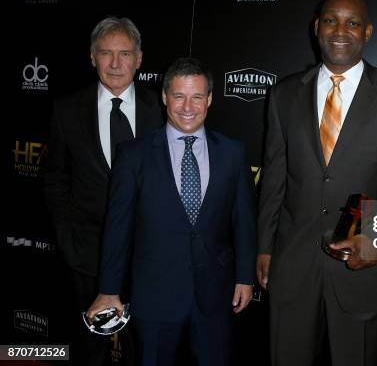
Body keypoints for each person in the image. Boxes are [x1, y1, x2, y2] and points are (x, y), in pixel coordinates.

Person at [257, 0, 377, 366]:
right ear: (317, 27)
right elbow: (274, 177)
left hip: (361, 265)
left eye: (353, 23)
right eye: (331, 20)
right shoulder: (284, 94)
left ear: (368, 32)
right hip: (292, 262)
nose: (340, 30)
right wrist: (265, 247)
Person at [87, 57, 257, 366]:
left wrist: (245, 276)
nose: (187, 106)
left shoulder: (233, 152)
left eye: (196, 97)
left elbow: (244, 220)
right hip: (154, 294)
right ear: (165, 97)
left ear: (209, 99)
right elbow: (118, 225)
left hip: (215, 295)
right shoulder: (134, 154)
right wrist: (109, 289)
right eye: (178, 96)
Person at [44, 16, 164, 366]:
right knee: (88, 350)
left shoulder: (163, 109)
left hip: (149, 256)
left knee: (143, 349)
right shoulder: (66, 110)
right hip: (87, 254)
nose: (115, 64)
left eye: (125, 53)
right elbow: (55, 180)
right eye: (106, 53)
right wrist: (68, 239)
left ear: (139, 59)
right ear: (92, 57)